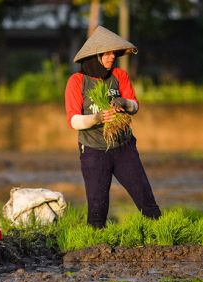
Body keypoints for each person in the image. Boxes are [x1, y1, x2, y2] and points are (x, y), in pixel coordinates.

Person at [64, 26, 161, 228]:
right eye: (106, 53)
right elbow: (73, 120)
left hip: (123, 147)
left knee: (145, 198)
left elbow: (134, 106)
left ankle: (162, 234)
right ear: (95, 55)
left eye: (114, 53)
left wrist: (124, 103)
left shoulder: (119, 76)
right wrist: (97, 117)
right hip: (93, 150)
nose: (111, 57)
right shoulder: (77, 81)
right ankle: (95, 247)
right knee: (98, 207)